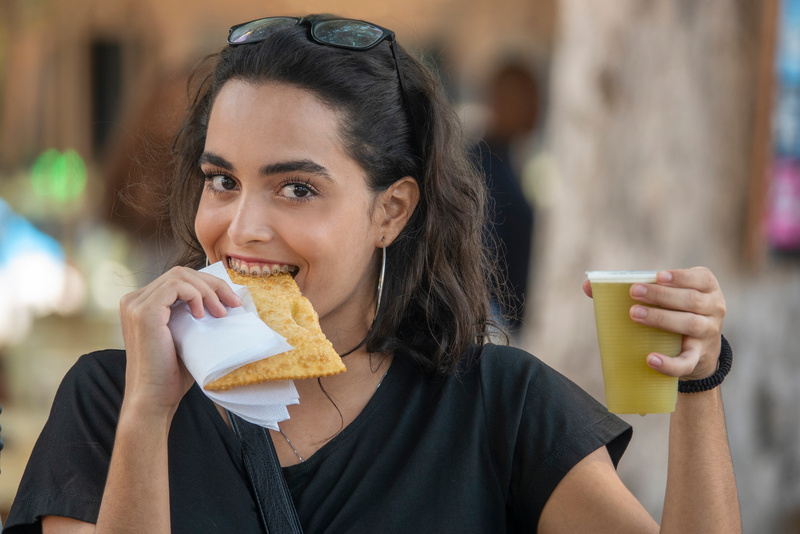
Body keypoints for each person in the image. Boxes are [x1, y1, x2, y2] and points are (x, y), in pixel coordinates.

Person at [4, 14, 740, 533]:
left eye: (296, 188)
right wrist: (149, 414)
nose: (241, 227)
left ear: (391, 211)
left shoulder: (496, 409)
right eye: (222, 180)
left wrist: (699, 381)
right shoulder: (110, 400)